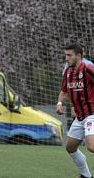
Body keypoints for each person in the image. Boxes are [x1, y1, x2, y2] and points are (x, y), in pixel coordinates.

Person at [56, 43, 94, 178]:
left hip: (92, 114)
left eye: (69, 55)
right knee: (70, 148)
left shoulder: (88, 69)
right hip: (80, 117)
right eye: (66, 55)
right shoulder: (68, 72)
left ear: (78, 55)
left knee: (91, 146)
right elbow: (64, 91)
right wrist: (60, 103)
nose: (66, 58)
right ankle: (86, 175)